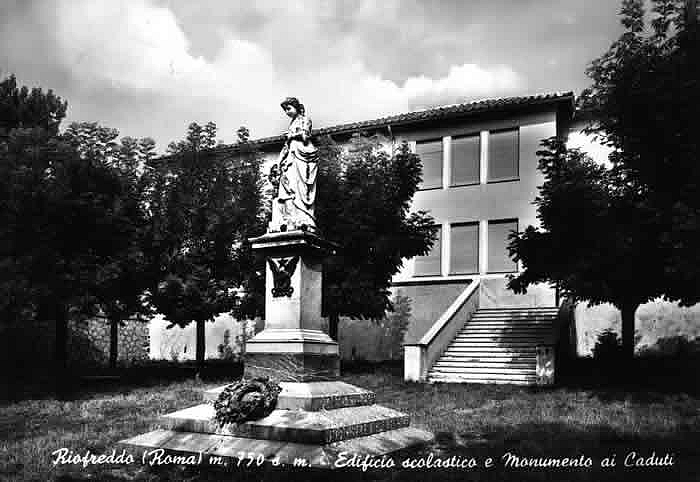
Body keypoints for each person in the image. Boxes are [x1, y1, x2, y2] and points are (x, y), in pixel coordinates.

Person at [270, 97, 319, 232]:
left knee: (299, 186)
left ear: (297, 108)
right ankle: (288, 218)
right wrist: (279, 161)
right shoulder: (292, 124)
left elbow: (305, 136)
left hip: (301, 155)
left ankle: (302, 217)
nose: (287, 112)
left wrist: (291, 135)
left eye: (289, 108)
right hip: (290, 156)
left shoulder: (305, 120)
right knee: (288, 185)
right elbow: (286, 147)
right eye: (285, 110)